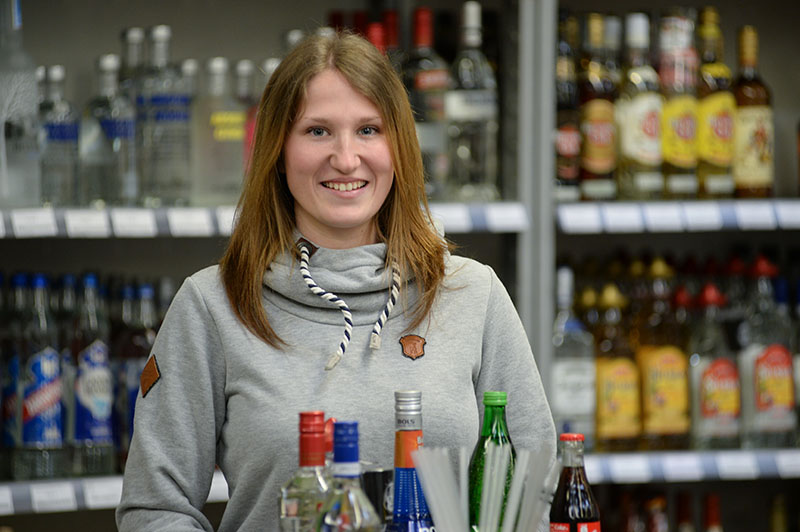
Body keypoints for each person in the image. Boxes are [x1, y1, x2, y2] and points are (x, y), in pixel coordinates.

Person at [116, 31, 555, 531]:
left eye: (369, 129)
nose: (346, 159)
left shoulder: (474, 295)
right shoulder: (212, 305)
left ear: (400, 146)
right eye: (318, 131)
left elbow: (536, 500)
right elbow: (155, 510)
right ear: (277, 149)